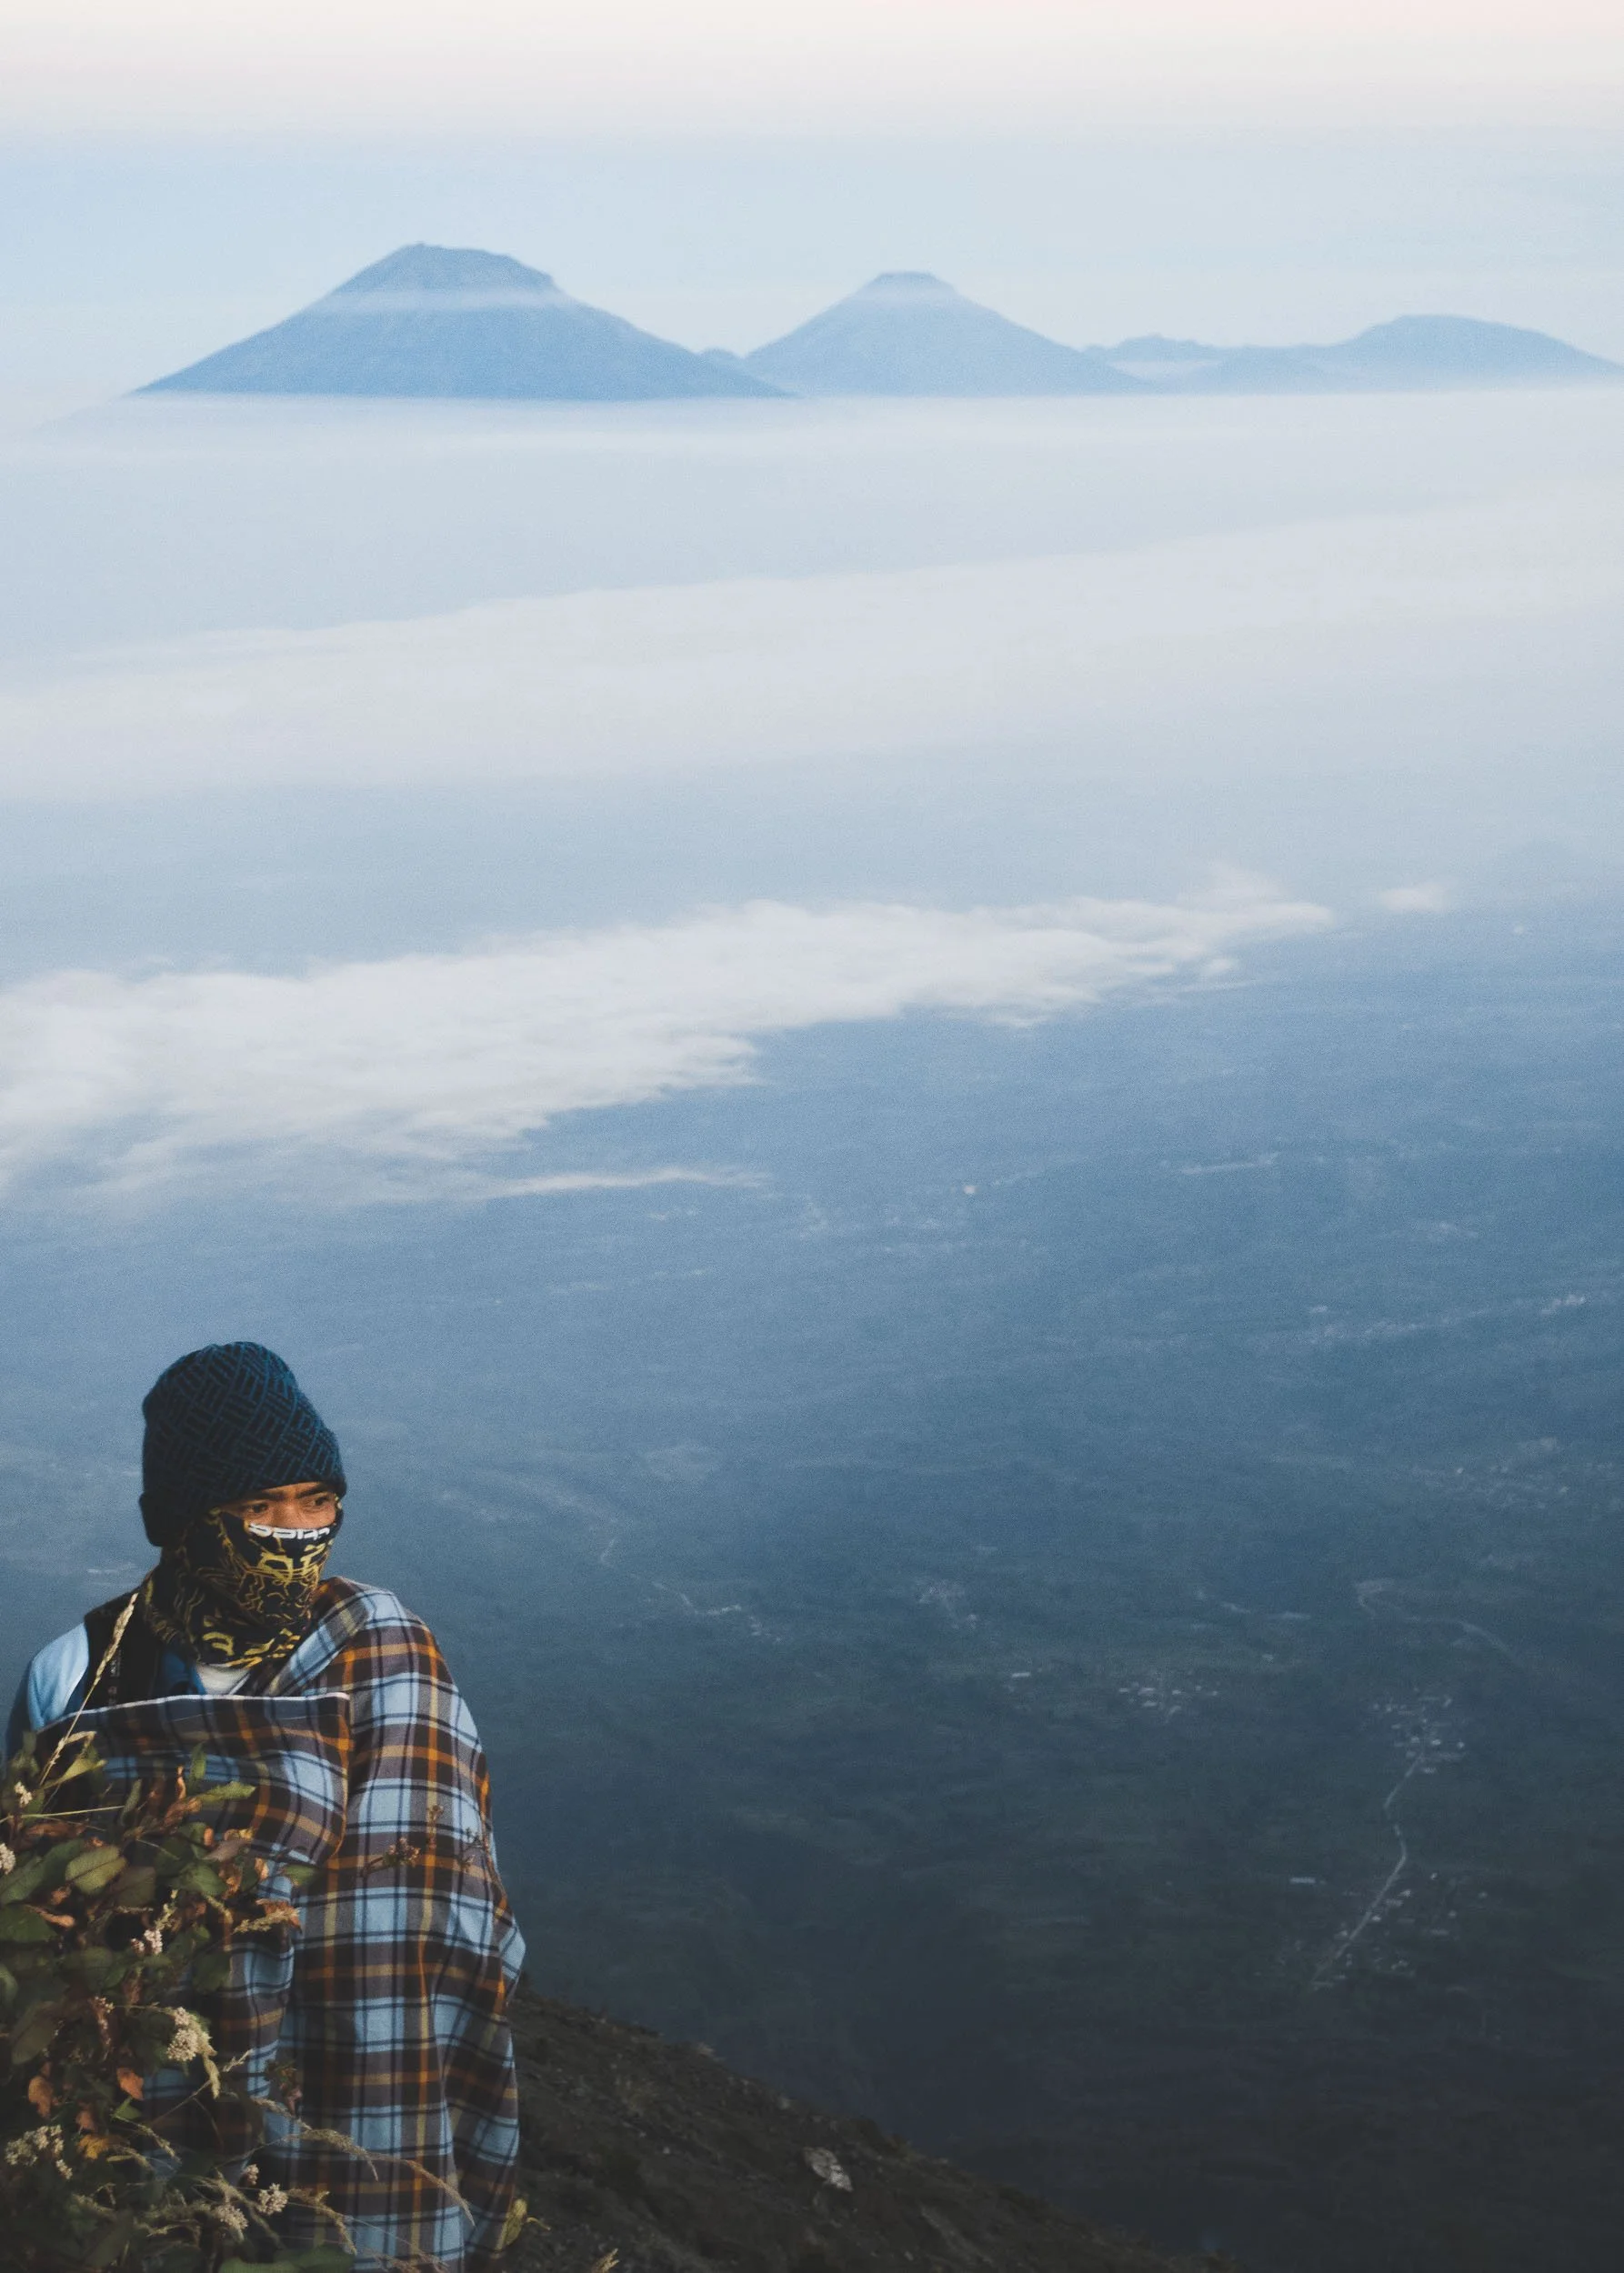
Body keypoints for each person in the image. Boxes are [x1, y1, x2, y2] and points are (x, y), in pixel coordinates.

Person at [6, 1340, 525, 2273]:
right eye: (257, 1505)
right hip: (154, 2107)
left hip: (378, 2079)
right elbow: (33, 1913)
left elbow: (455, 1889)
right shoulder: (82, 1673)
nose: (294, 1529)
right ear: (182, 1518)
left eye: (316, 1499)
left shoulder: (386, 1649)